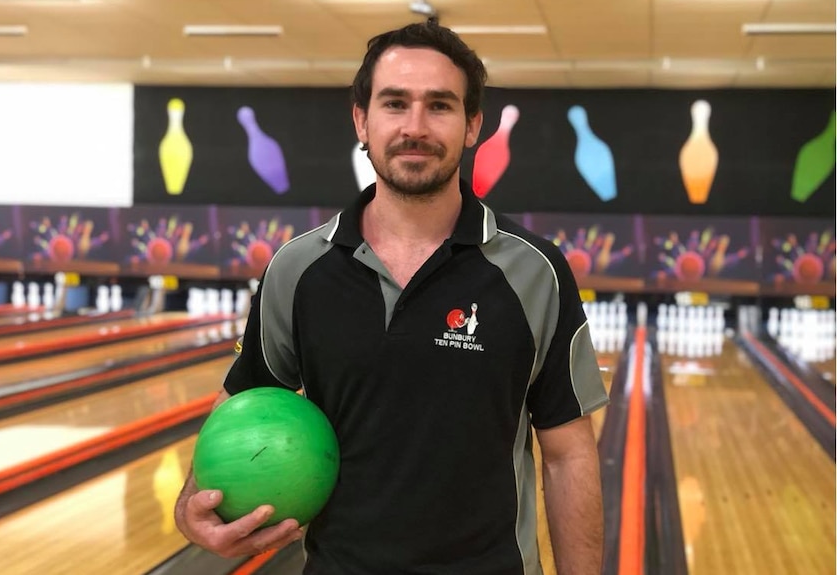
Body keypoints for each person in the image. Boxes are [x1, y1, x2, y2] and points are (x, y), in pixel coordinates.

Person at [175, 20, 609, 575]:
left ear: (473, 125)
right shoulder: (296, 269)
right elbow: (242, 405)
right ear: (362, 119)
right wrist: (193, 498)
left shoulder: (535, 271)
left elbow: (569, 455)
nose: (415, 126)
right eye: (395, 103)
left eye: (441, 106)